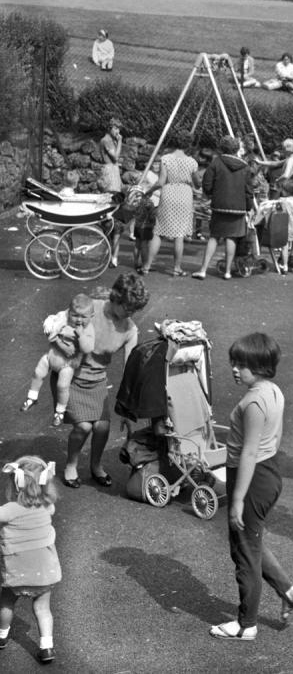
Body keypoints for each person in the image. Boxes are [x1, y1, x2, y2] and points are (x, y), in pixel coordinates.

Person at [210, 333, 293, 641]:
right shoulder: (273, 391)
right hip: (268, 473)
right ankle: (290, 592)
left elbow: (249, 452)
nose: (235, 370)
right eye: (233, 363)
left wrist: (237, 499)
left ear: (260, 366)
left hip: (252, 478)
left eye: (242, 365)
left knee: (244, 552)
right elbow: (275, 438)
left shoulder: (253, 401)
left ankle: (246, 624)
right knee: (251, 541)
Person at [62, 273, 148, 488]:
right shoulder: (92, 308)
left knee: (101, 426)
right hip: (71, 375)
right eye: (128, 307)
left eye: (135, 309)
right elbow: (59, 321)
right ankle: (71, 465)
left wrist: (128, 409)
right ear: (116, 298)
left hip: (96, 379)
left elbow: (131, 370)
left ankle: (96, 466)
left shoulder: (130, 330)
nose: (131, 313)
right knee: (83, 426)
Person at [0, 455, 61, 664]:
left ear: (15, 485)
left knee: (6, 602)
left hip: (16, 570)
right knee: (43, 609)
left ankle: (2, 635)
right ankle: (47, 647)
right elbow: (50, 507)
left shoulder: (9, 510)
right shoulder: (47, 507)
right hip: (43, 571)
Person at [22, 294, 95, 426]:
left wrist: (81, 336)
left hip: (66, 364)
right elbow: (49, 326)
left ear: (91, 317)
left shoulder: (89, 330)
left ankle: (60, 411)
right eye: (75, 315)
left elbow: (87, 348)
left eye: (83, 317)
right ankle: (32, 397)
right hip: (51, 356)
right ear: (69, 312)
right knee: (38, 372)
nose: (78, 320)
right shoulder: (63, 317)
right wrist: (60, 341)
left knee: (62, 386)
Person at [193, 135, 255, 281]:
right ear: (236, 149)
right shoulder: (245, 167)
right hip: (238, 208)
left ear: (222, 148)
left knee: (214, 237)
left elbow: (207, 183)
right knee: (231, 238)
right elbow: (249, 190)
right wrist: (249, 206)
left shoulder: (216, 163)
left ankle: (203, 270)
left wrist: (210, 195)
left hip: (219, 205)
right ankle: (227, 271)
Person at [142, 131, 200, 276]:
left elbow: (161, 182)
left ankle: (146, 266)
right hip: (184, 196)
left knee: (158, 232)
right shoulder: (192, 162)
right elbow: (197, 184)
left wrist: (149, 190)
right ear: (188, 144)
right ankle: (177, 268)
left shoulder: (166, 158)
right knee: (179, 234)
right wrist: (195, 184)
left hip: (168, 194)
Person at [276, 178, 293, 275]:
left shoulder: (281, 201)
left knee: (284, 247)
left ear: (286, 190)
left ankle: (285, 266)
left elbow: (277, 212)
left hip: (285, 227)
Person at [98, 117, 123, 192]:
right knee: (111, 194)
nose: (117, 131)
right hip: (109, 171)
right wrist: (120, 141)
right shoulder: (106, 140)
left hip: (113, 169)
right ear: (109, 128)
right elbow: (115, 157)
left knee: (115, 194)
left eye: (119, 129)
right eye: (115, 129)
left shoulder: (113, 140)